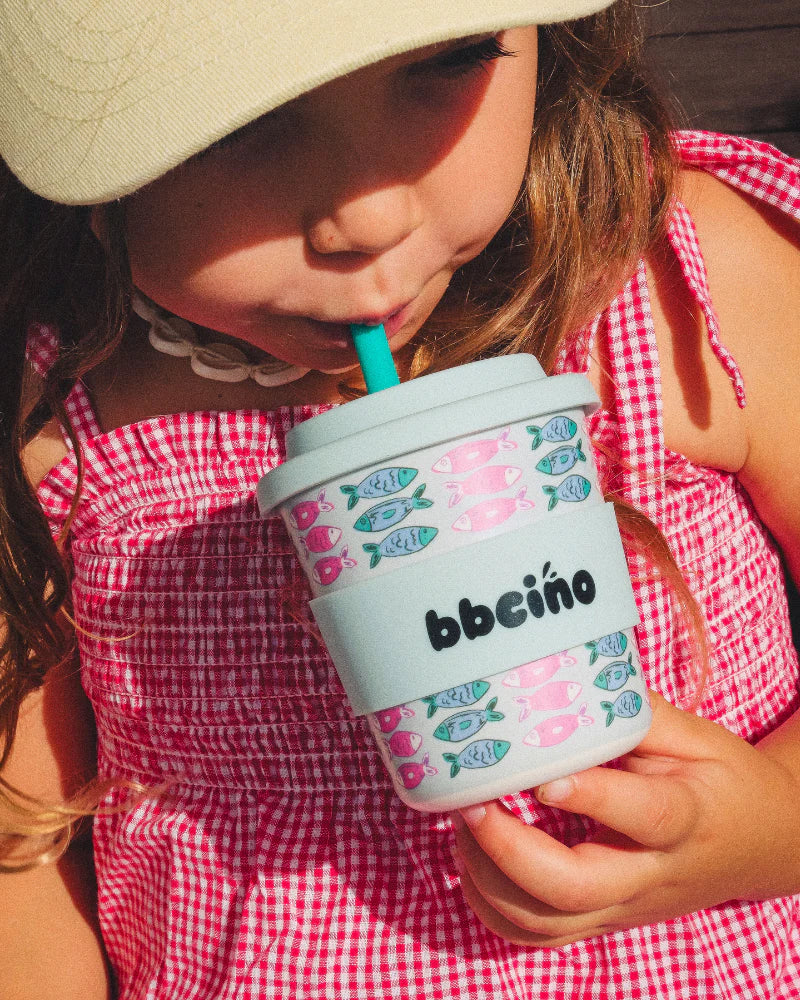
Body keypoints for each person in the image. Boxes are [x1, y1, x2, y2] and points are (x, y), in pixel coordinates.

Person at [0, 0, 799, 996]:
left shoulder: (670, 284)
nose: (368, 216)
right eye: (243, 123)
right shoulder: (59, 415)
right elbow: (21, 861)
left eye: (447, 60)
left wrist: (770, 825)